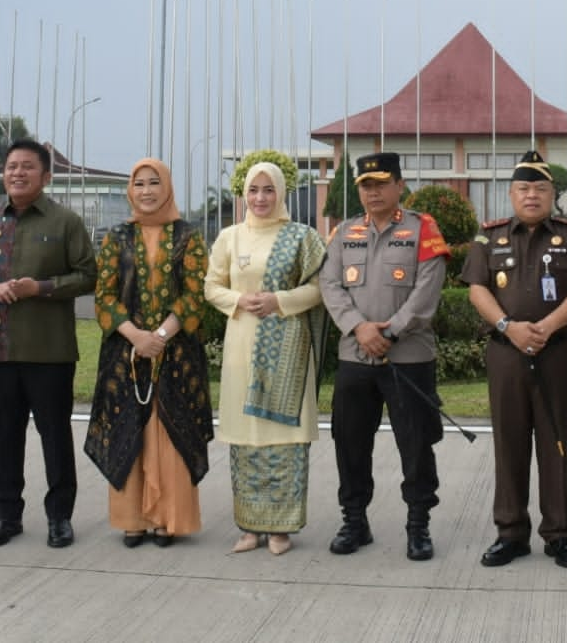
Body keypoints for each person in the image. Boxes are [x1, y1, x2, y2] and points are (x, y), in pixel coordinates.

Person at [0, 138, 97, 549]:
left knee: (55, 436)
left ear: (46, 176)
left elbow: (88, 275)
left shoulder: (64, 222)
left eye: (27, 167)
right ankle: (7, 516)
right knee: (5, 436)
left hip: (49, 350)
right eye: (11, 166)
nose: (17, 173)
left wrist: (42, 287)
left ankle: (59, 518)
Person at [464, 152, 567, 569]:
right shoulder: (489, 238)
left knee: (555, 443)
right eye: (524, 188)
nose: (532, 195)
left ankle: (559, 535)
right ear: (511, 194)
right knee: (509, 444)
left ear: (552, 194)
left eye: (540, 188)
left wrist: (547, 326)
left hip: (554, 352)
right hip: (506, 354)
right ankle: (511, 533)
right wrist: (509, 326)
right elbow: (477, 290)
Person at [319, 151, 451, 562]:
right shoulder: (344, 232)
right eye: (366, 185)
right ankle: (355, 520)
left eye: (380, 183)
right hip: (355, 356)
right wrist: (359, 328)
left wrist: (390, 331)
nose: (373, 191)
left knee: (415, 444)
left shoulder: (422, 229)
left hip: (408, 358)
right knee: (350, 443)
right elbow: (330, 285)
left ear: (399, 185)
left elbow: (427, 289)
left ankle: (418, 525)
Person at [84, 158, 213, 549]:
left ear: (168, 187)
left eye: (154, 183)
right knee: (128, 428)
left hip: (176, 355)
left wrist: (159, 335)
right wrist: (136, 336)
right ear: (130, 191)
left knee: (170, 433)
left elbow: (195, 294)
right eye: (139, 184)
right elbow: (104, 295)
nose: (146, 191)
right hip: (126, 356)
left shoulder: (188, 236)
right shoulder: (116, 237)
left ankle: (167, 519)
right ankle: (132, 519)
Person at [204, 159, 329, 556]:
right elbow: (210, 286)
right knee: (245, 440)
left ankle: (281, 530)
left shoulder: (302, 237)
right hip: (242, 346)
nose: (261, 198)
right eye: (254, 191)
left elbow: (321, 287)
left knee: (283, 442)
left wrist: (280, 301)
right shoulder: (230, 237)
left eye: (268, 190)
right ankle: (249, 528)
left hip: (289, 351)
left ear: (281, 193)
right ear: (244, 195)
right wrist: (241, 299)